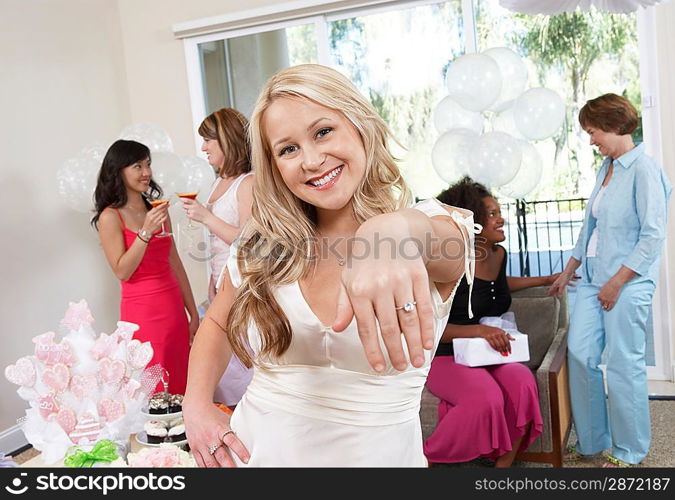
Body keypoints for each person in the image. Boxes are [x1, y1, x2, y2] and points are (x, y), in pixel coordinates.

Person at [182, 64, 475, 467]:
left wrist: (389, 230)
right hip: (257, 455)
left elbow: (450, 241)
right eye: (288, 149)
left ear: (359, 125)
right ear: (274, 167)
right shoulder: (261, 244)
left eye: (323, 132)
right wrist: (195, 405)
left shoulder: (424, 233)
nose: (312, 160)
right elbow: (216, 323)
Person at [548, 93, 671, 467]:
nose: (591, 140)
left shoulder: (645, 170)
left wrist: (617, 282)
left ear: (616, 125)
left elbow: (652, 236)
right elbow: (591, 226)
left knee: (623, 363)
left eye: (594, 131)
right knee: (581, 355)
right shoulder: (608, 168)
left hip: (627, 281)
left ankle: (629, 450)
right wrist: (569, 269)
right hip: (591, 278)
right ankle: (590, 442)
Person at [423, 177, 559, 467]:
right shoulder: (448, 263)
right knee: (486, 398)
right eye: (493, 214)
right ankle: (423, 462)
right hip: (447, 356)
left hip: (489, 353)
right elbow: (429, 328)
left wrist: (544, 280)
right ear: (471, 221)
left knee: (523, 383)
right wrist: (481, 331)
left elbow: (496, 286)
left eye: (500, 212)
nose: (502, 220)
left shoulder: (498, 254)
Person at [92, 139, 199, 394]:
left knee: (181, 373)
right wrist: (145, 233)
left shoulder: (158, 209)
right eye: (137, 166)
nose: (147, 172)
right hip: (141, 311)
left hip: (172, 305)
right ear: (118, 170)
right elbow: (122, 271)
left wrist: (193, 312)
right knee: (150, 380)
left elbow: (175, 262)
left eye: (148, 165)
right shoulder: (110, 216)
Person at [180, 108, 255, 408]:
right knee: (223, 368)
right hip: (221, 285)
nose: (203, 147)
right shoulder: (219, 182)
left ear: (228, 140)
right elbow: (217, 245)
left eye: (209, 139)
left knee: (241, 362)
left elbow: (250, 242)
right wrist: (213, 280)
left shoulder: (247, 183)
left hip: (242, 287)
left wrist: (205, 217)